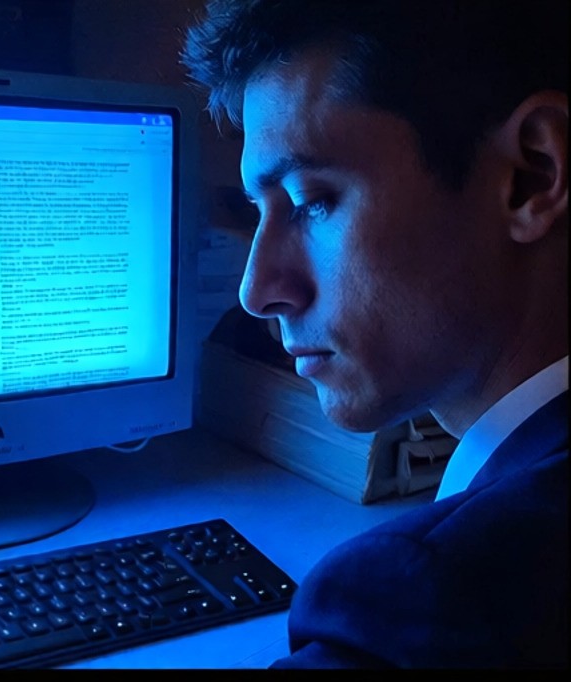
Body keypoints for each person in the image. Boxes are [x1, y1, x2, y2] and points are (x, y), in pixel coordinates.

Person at [181, 0, 568, 669]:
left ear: (533, 175)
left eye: (312, 202)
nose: (258, 289)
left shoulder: (429, 602)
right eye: (256, 211)